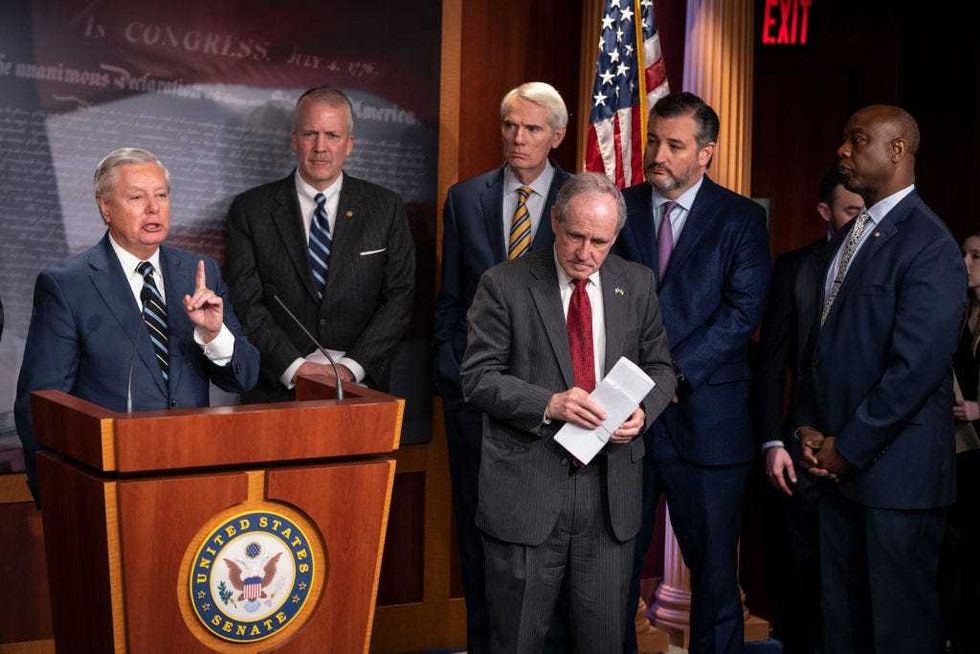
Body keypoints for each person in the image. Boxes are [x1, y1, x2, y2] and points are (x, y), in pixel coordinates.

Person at [459, 172, 676, 653]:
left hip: (608, 500)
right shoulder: (504, 284)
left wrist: (642, 410)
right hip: (527, 495)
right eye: (576, 235)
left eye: (599, 241)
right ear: (555, 222)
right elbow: (477, 378)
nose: (585, 252)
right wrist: (549, 403)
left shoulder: (635, 284)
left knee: (602, 642)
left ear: (615, 237)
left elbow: (661, 366)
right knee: (517, 641)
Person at [795, 105, 965, 653]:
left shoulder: (930, 245)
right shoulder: (854, 233)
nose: (842, 150)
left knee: (897, 634)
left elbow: (915, 370)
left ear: (897, 151)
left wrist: (850, 445)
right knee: (841, 629)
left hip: (896, 483)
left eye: (858, 139)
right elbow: (826, 346)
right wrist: (809, 426)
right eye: (845, 138)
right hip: (838, 473)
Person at [615, 92, 771, 654]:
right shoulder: (619, 206)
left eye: (674, 145)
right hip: (622, 424)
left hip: (707, 424)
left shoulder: (742, 219)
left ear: (705, 153)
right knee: (613, 577)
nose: (657, 154)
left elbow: (741, 313)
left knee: (713, 582)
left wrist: (668, 378)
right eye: (654, 140)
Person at [15, 147, 260, 504]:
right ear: (105, 207)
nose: (153, 208)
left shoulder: (198, 274)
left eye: (161, 195)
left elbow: (245, 376)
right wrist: (58, 493)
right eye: (136, 197)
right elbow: (40, 406)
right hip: (110, 487)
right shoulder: (68, 285)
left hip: (196, 477)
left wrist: (214, 335)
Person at [433, 81, 570, 652]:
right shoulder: (466, 198)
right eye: (511, 126)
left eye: (533, 129)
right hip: (476, 401)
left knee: (551, 544)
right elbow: (450, 300)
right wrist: (455, 380)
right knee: (479, 541)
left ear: (557, 137)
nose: (518, 138)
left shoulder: (582, 198)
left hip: (554, 409)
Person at [225, 86, 415, 402]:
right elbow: (246, 301)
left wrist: (351, 368)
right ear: (294, 139)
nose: (320, 147)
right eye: (310, 134)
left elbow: (399, 298)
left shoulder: (386, 208)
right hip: (277, 389)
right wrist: (295, 367)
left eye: (332, 135)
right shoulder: (250, 210)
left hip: (361, 389)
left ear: (350, 144)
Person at [755, 168, 863, 653]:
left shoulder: (887, 267)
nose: (861, 223)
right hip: (797, 454)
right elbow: (771, 361)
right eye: (850, 212)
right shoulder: (794, 268)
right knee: (799, 579)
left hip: (864, 452)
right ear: (825, 213)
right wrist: (773, 440)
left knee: (853, 587)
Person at [944, 229, 980, 653]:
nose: (966, 263)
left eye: (975, 256)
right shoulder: (959, 310)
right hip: (957, 450)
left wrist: (978, 409)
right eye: (964, 254)